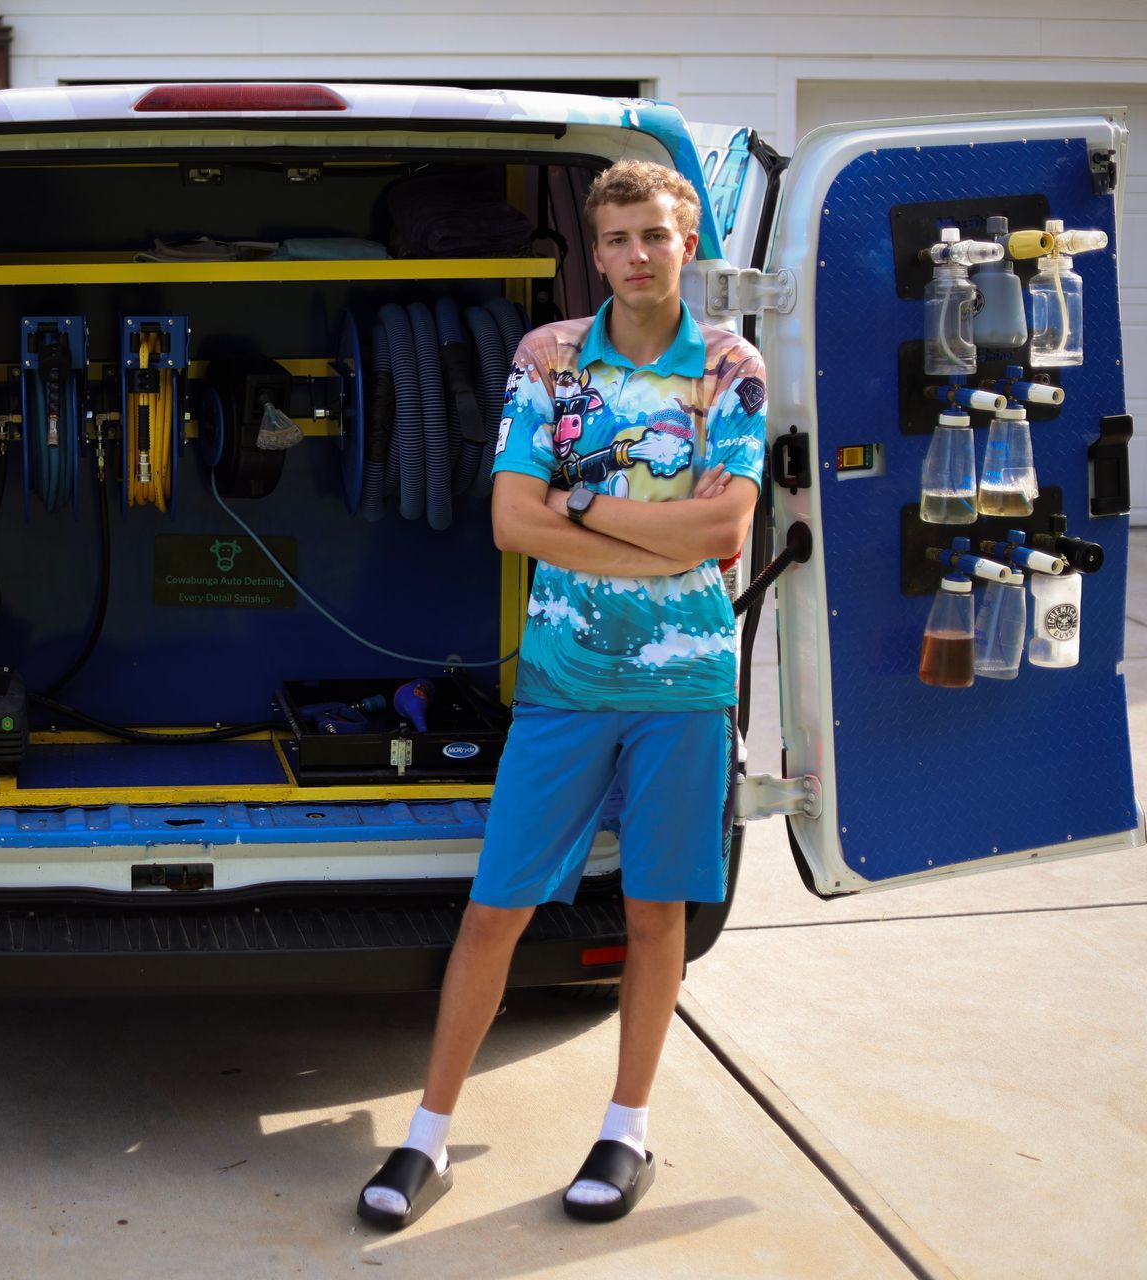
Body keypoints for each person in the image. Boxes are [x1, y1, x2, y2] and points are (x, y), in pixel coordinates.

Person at [356, 159, 767, 1231]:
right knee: (496, 908)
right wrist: (651, 535)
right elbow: (509, 522)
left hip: (684, 685)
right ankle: (427, 1135)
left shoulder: (731, 367)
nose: (638, 254)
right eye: (619, 237)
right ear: (595, 251)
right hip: (564, 680)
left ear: (688, 247)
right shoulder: (548, 357)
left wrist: (582, 509)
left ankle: (627, 1126)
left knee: (654, 907)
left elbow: (726, 533)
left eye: (657, 237)